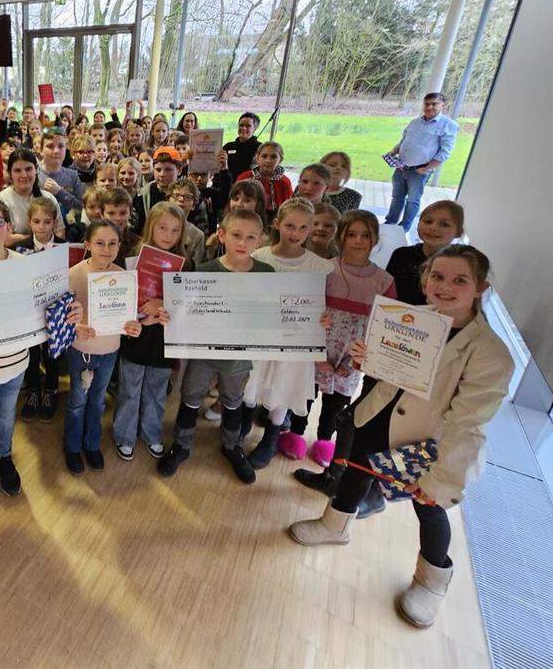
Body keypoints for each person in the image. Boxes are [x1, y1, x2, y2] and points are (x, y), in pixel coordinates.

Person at [289, 245, 512, 629]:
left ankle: (432, 580)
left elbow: (467, 423)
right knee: (356, 470)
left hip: (429, 442)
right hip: (380, 413)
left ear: (480, 288)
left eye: (460, 280)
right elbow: (389, 368)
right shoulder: (412, 319)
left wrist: (442, 478)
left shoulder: (492, 355)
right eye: (437, 276)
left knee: (429, 506)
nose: (445, 286)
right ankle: (334, 526)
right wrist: (367, 357)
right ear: (425, 280)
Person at [0, 197, 78, 506]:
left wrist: (70, 309)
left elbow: (50, 303)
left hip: (17, 363)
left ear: (9, 227)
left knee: (7, 416)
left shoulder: (26, 265)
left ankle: (3, 456)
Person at [159, 208, 274, 481]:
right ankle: (181, 444)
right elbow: (186, 311)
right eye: (236, 235)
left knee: (232, 400)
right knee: (191, 395)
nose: (242, 243)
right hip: (203, 353)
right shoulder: (204, 271)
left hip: (238, 357)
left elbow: (273, 313)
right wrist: (170, 313)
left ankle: (232, 446)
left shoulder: (266, 273)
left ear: (260, 240)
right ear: (222, 235)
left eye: (251, 237)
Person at [287, 210, 395, 475]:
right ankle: (295, 433)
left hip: (352, 357)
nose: (358, 241)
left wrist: (354, 362)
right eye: (351, 234)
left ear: (375, 239)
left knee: (337, 403)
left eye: (365, 235)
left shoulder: (384, 282)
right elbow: (305, 312)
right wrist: (316, 355)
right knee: (306, 394)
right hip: (317, 350)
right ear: (341, 237)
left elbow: (385, 329)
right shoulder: (324, 270)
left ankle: (325, 439)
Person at [241, 198, 333, 470]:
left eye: (304, 227)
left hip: (295, 341)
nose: (296, 233)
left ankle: (271, 437)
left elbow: (321, 302)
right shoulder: (260, 257)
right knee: (251, 381)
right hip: (261, 335)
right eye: (290, 226)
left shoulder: (318, 266)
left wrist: (323, 316)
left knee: (284, 383)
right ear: (277, 224)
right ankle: (241, 426)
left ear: (311, 229)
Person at [65, 221, 142, 473]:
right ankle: (72, 446)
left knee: (98, 401)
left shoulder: (124, 277)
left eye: (112, 243)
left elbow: (130, 316)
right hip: (81, 350)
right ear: (87, 244)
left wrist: (135, 327)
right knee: (78, 400)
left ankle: (91, 444)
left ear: (119, 246)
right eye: (99, 243)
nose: (106, 249)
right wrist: (76, 328)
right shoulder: (73, 275)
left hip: (110, 351)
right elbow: (59, 319)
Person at [112, 201, 186, 461]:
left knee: (156, 391)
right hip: (135, 336)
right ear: (151, 226)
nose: (168, 235)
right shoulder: (131, 258)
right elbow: (118, 298)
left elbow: (187, 306)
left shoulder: (186, 264)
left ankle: (151, 433)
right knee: (129, 390)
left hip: (164, 341)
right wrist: (142, 317)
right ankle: (124, 435)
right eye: (162, 227)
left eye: (175, 230)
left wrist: (163, 306)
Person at [13, 197, 66, 423]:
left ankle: (51, 390)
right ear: (29, 222)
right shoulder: (18, 248)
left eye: (47, 221)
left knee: (53, 353)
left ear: (54, 222)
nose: (42, 226)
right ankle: (34, 390)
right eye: (37, 221)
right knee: (32, 353)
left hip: (55, 310)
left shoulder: (64, 247)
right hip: (30, 311)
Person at [384, 92, 459, 231]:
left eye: (434, 104)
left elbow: (445, 152)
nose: (429, 107)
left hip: (419, 171)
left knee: (412, 201)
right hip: (401, 167)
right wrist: (393, 151)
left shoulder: (448, 125)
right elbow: (404, 141)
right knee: (396, 197)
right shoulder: (415, 122)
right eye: (427, 104)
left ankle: (404, 229)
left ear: (443, 105)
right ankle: (389, 224)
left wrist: (427, 168)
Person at [385, 200, 464, 305]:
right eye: (428, 221)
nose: (433, 228)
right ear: (418, 224)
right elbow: (385, 289)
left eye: (444, 224)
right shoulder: (401, 254)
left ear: (458, 232)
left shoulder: (459, 266)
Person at [0, 148, 64, 247]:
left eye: (28, 169)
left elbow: (59, 231)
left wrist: (17, 238)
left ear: (36, 170)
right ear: (10, 174)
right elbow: (5, 240)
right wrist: (43, 236)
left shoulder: (48, 198)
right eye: (17, 170)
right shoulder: (0, 201)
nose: (24, 175)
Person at [235, 140, 290, 221]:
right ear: (257, 158)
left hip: (274, 219)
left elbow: (288, 208)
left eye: (273, 157)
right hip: (247, 215)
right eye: (264, 156)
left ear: (280, 159)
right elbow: (234, 199)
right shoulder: (245, 177)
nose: (268, 160)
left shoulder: (284, 182)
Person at [37, 131, 85, 218]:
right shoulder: (33, 176)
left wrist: (60, 192)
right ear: (41, 150)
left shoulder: (72, 176)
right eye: (50, 146)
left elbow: (82, 207)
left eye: (61, 146)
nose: (56, 151)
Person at [222, 112, 261, 178]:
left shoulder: (260, 148)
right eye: (241, 125)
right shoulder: (228, 146)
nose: (243, 128)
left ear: (255, 128)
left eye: (248, 126)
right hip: (226, 181)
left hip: (247, 183)